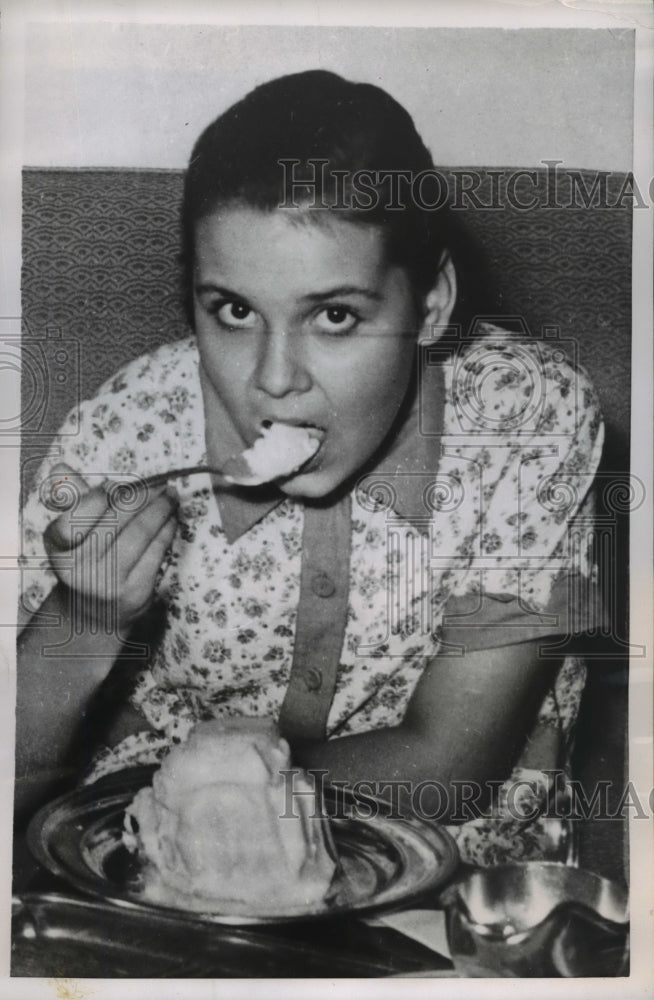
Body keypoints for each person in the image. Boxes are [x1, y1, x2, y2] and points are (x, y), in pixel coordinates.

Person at [17, 70, 604, 865]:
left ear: (430, 303)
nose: (272, 378)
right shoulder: (128, 434)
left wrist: (211, 797)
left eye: (334, 316)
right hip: (160, 871)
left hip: (447, 888)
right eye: (233, 310)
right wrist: (85, 616)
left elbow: (454, 771)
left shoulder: (526, 415)